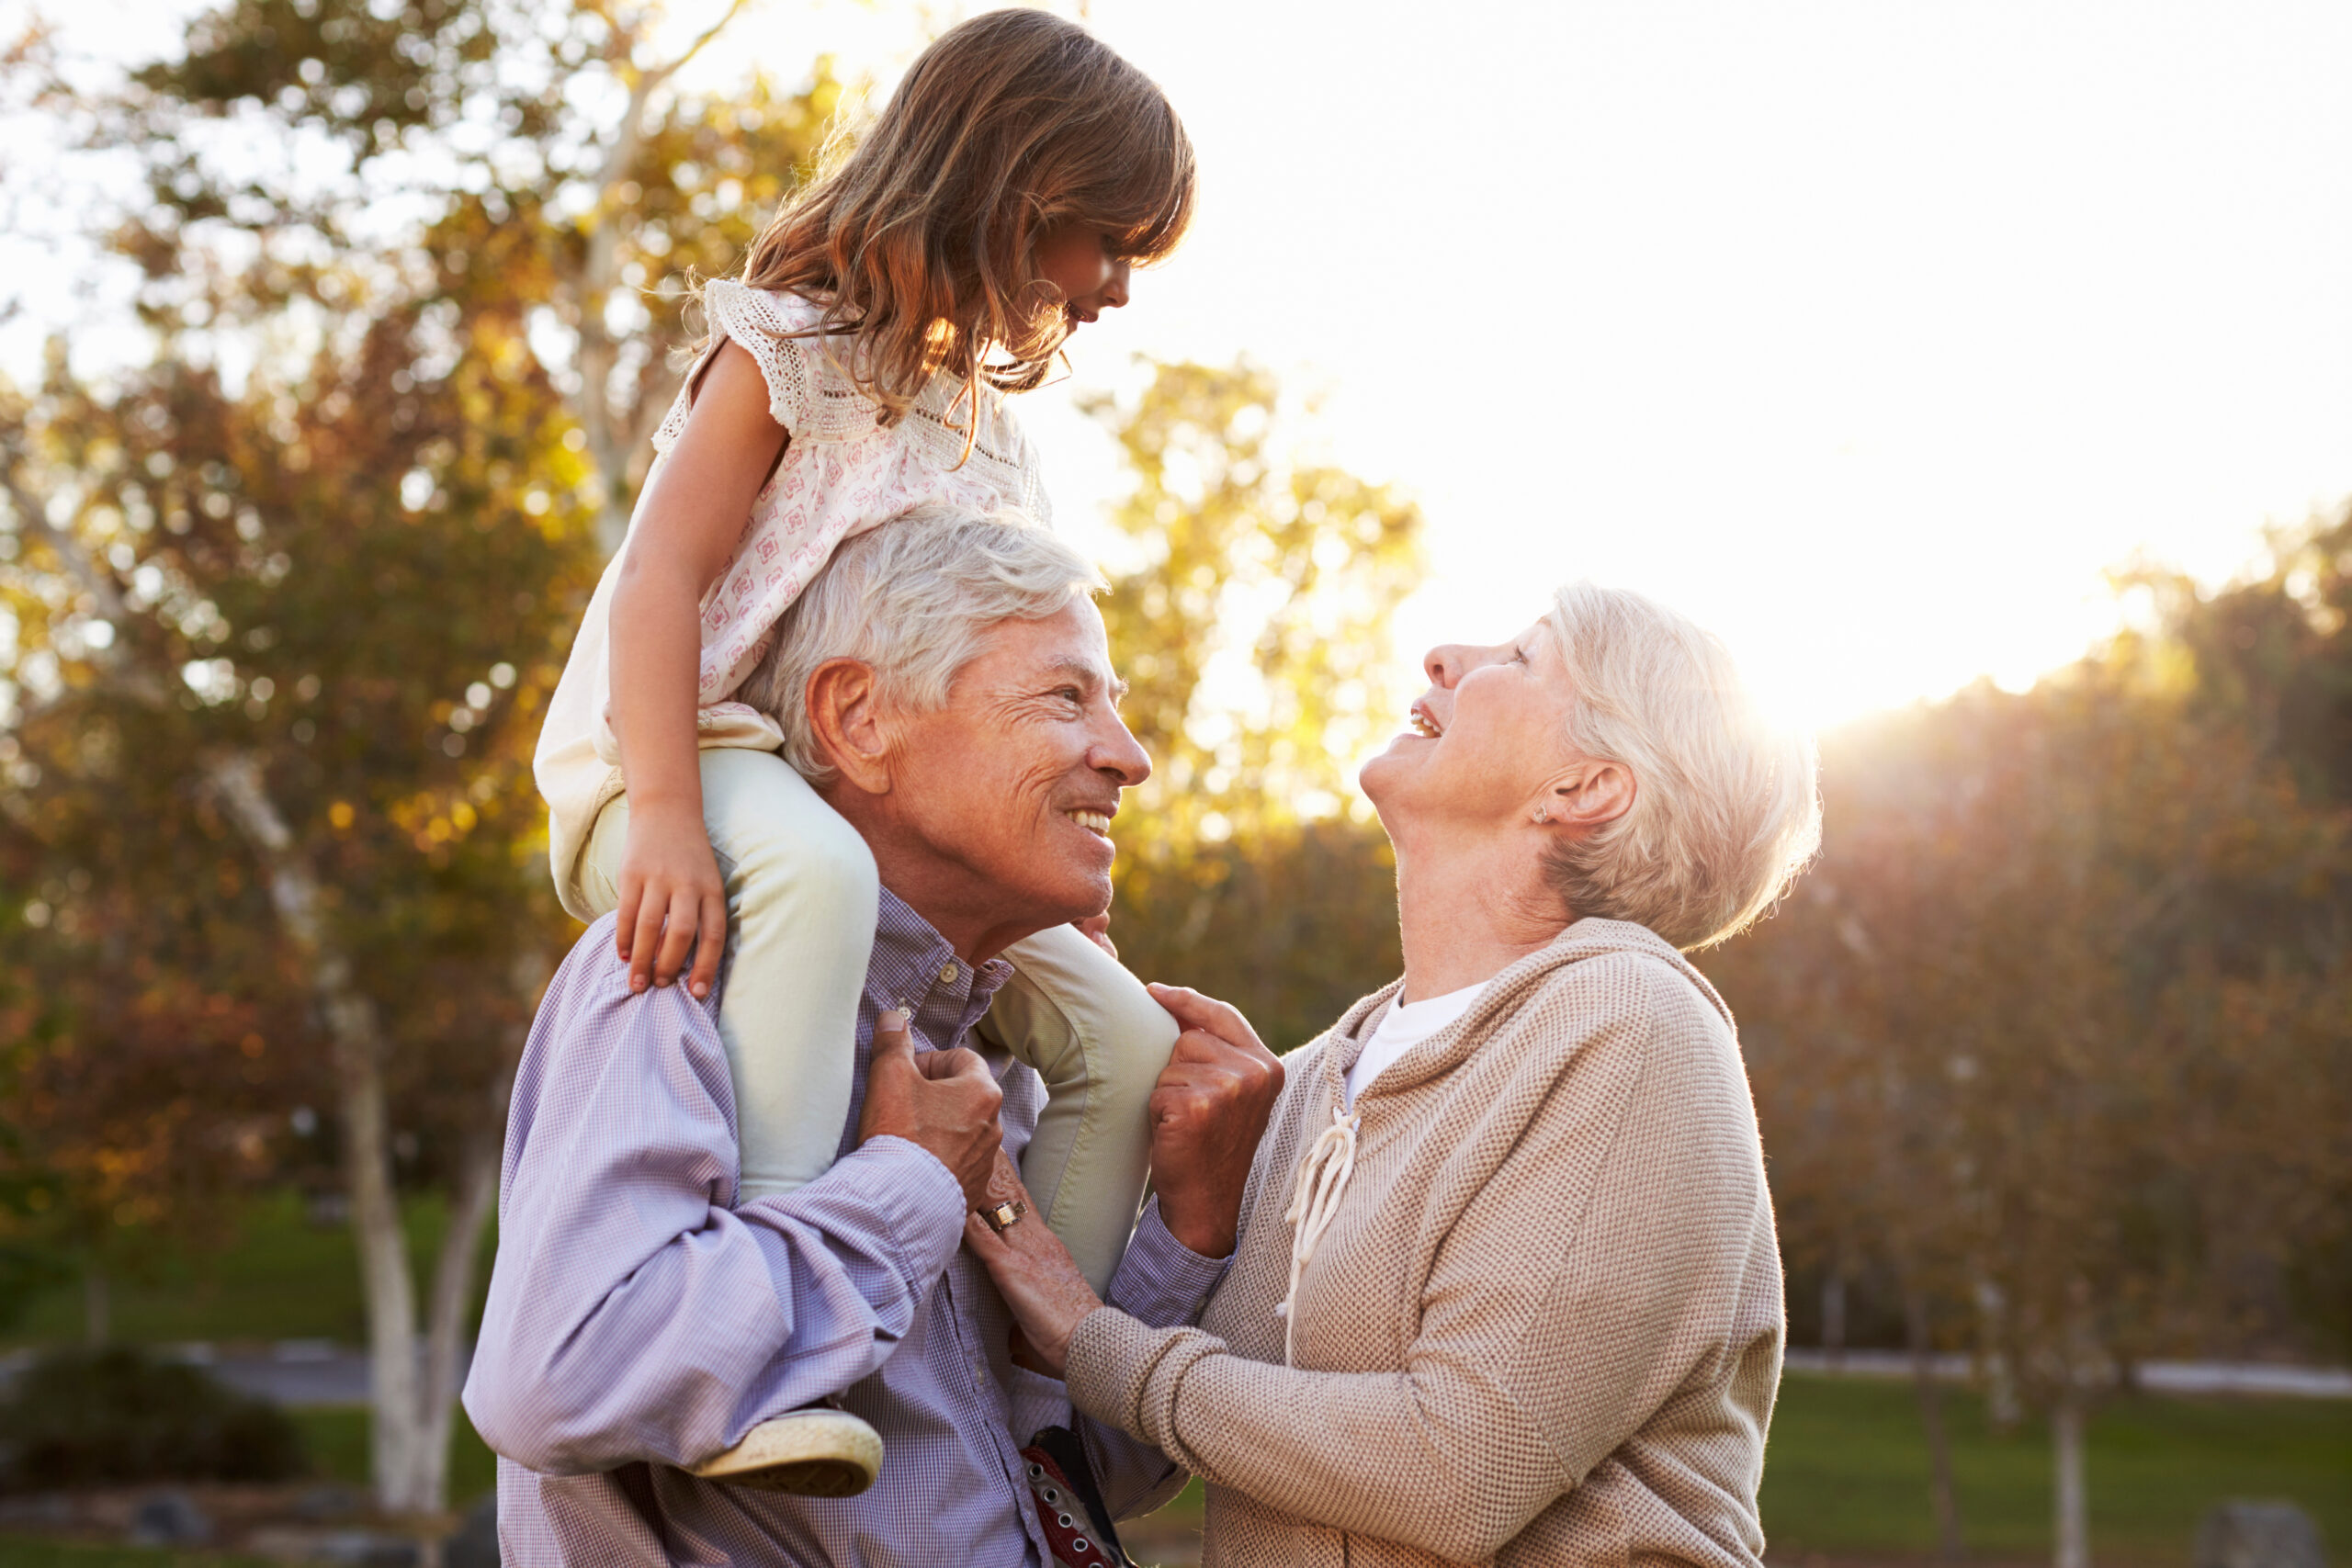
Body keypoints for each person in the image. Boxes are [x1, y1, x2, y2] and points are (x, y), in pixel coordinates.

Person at [528, 9, 1195, 1483]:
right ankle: (771, 1350)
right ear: (1021, 190)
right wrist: (663, 814)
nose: (1120, 291)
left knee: (1120, 1031)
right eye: (1110, 241)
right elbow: (657, 583)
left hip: (833, 771)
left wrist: (1043, 852)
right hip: (684, 740)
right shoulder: (786, 351)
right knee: (820, 884)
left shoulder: (984, 426)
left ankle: (1034, 1381)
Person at [466, 512, 1286, 1563]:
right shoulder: (673, 978)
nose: (1128, 758)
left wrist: (1195, 1222)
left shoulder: (1001, 1061)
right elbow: (561, 1383)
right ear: (858, 717)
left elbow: (1071, 1471)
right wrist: (906, 1184)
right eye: (1066, 696)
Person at [967, 582, 1826, 1567]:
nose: (1443, 656)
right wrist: (1089, 1037)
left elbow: (1458, 1471)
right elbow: (1114, 1460)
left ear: (1583, 789)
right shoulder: (1307, 1084)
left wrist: (1085, 1333)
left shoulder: (1631, 1027)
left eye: (1520, 656)